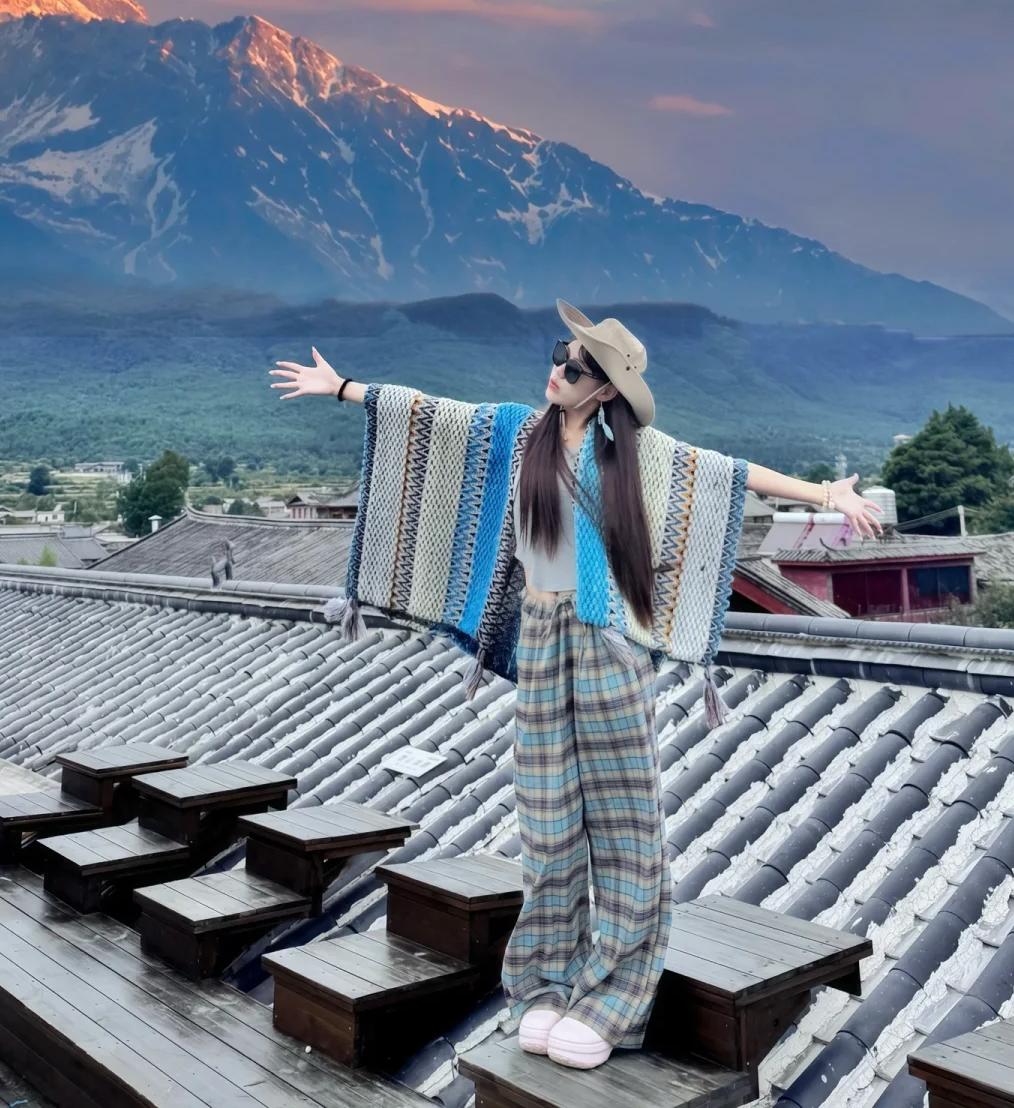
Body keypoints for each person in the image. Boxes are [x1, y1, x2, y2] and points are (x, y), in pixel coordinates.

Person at [270, 300, 882, 1071]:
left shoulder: (635, 455)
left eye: (575, 367)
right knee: (548, 820)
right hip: (538, 637)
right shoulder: (517, 433)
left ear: (605, 390)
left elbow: (727, 474)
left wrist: (828, 496)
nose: (557, 370)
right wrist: (344, 388)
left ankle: (616, 995)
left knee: (624, 824)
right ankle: (547, 983)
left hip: (606, 642)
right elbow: (432, 417)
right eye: (559, 355)